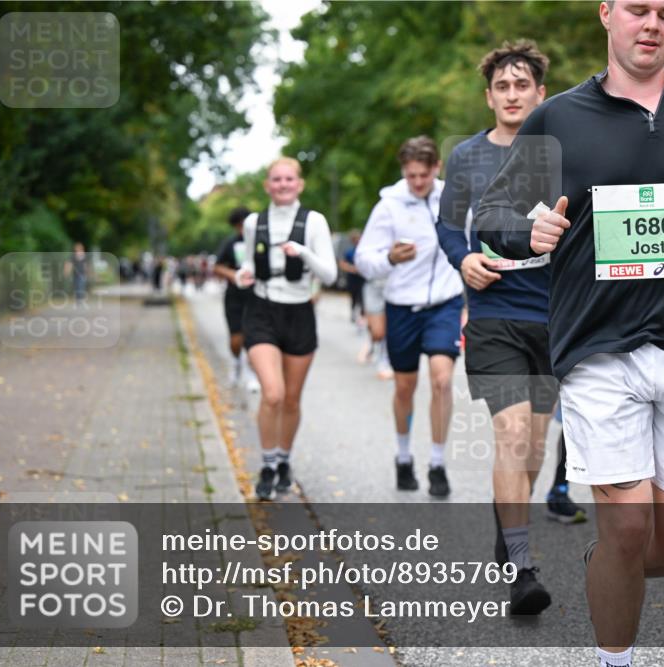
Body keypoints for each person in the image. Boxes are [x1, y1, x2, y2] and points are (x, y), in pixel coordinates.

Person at [475, 2, 664, 664]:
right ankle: (615, 649)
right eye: (637, 9)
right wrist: (528, 231)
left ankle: (607, 562)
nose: (651, 24)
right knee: (629, 523)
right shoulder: (559, 118)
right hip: (597, 345)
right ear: (607, 13)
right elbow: (494, 215)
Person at [435, 39, 581, 615]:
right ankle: (522, 569)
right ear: (489, 96)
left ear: (541, 93)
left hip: (552, 314)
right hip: (494, 313)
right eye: (502, 86)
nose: (513, 94)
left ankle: (508, 526)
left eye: (523, 85)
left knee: (536, 446)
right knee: (513, 435)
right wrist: (463, 258)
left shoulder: (563, 154)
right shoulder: (467, 156)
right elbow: (449, 226)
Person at [355, 136, 463, 497]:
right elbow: (363, 260)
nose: (417, 182)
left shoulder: (453, 197)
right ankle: (403, 457)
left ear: (436, 168)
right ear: (404, 171)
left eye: (423, 175)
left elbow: (475, 239)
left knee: (442, 380)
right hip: (401, 306)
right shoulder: (389, 206)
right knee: (405, 387)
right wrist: (389, 258)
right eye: (411, 175)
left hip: (445, 302)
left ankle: (437, 463)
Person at [234, 157, 338, 500]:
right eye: (276, 179)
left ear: (299, 184)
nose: (282, 185)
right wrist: (243, 274)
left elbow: (330, 275)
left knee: (291, 400)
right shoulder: (254, 222)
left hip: (299, 313)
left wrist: (303, 252)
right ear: (267, 185)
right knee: (273, 394)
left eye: (289, 179)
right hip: (262, 311)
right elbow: (250, 263)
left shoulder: (314, 221)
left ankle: (283, 461)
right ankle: (267, 464)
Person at [213, 206, 259, 389]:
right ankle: (236, 363)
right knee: (236, 338)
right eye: (238, 226)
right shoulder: (230, 243)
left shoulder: (260, 242)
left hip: (256, 295)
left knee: (253, 337)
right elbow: (217, 266)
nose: (241, 229)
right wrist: (233, 275)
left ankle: (252, 373)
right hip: (235, 296)